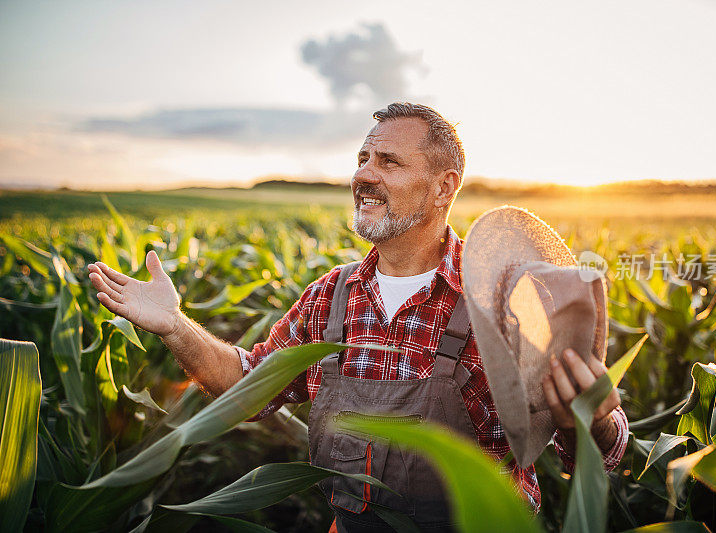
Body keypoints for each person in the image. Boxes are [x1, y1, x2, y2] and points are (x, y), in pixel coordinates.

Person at [88, 102, 628, 531]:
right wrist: (175, 325)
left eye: (388, 162)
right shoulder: (332, 296)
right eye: (363, 159)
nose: (364, 175)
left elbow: (589, 458)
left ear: (445, 186)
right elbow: (250, 389)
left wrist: (596, 419)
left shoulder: (503, 300)